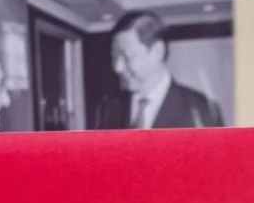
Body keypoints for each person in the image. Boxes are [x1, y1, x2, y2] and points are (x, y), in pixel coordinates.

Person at [94, 11, 224, 130]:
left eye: (127, 57)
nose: (118, 67)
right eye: (114, 56)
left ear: (157, 52)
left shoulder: (202, 110)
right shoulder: (108, 109)